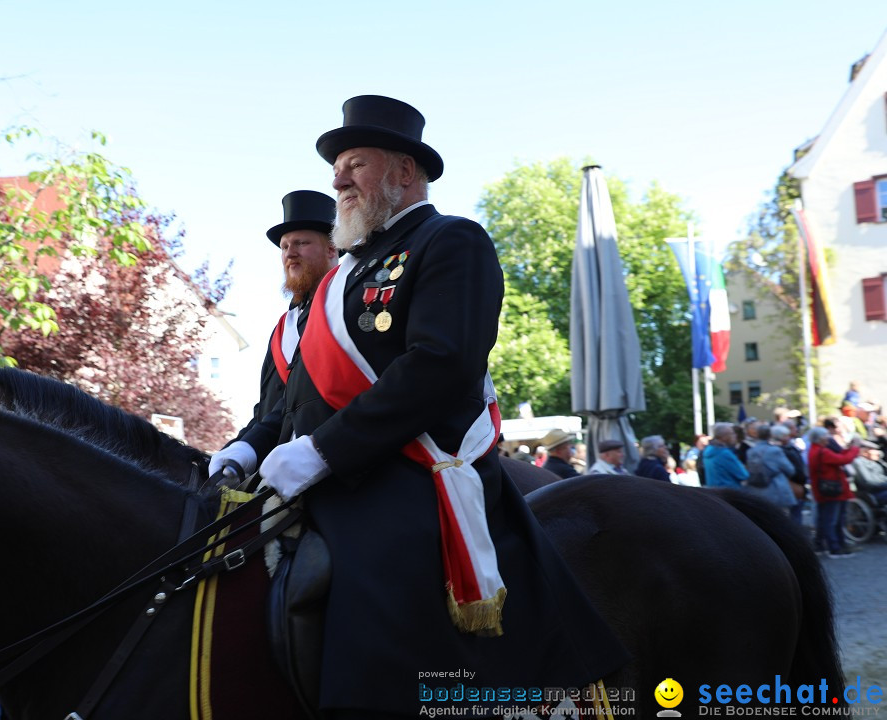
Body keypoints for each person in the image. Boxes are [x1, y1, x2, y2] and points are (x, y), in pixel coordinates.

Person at [227, 95, 627, 718]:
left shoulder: (451, 240)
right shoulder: (344, 275)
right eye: (338, 168)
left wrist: (322, 451)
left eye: (354, 163)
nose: (338, 179)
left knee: (372, 611)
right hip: (334, 477)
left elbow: (440, 366)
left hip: (410, 473)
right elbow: (298, 393)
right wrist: (250, 447)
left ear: (404, 172)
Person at [211, 190, 337, 474]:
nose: (290, 253)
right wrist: (234, 450)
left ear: (332, 249)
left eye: (302, 243)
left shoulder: (341, 308)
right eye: (284, 246)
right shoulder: (283, 328)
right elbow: (267, 412)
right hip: (275, 467)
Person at [808, 426, 860, 558]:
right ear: (819, 438)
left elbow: (840, 456)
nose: (829, 438)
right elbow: (842, 459)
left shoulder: (817, 450)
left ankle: (824, 544)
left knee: (826, 519)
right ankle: (834, 547)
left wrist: (849, 449)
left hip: (827, 490)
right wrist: (854, 449)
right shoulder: (822, 452)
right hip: (832, 491)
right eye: (826, 436)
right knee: (832, 520)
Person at [745, 425, 799, 519]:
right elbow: (790, 470)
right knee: (780, 520)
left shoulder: (750, 451)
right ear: (770, 435)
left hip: (756, 489)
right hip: (775, 489)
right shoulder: (774, 451)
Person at [702, 422, 749, 489]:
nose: (735, 436)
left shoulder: (708, 450)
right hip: (729, 493)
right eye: (732, 433)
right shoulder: (724, 453)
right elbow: (743, 475)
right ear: (724, 437)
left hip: (715, 492)